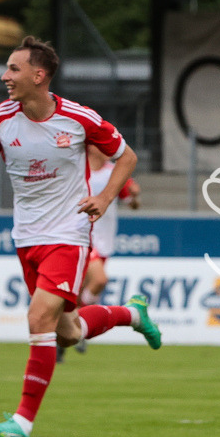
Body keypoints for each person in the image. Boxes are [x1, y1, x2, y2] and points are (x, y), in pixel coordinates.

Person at [0, 36, 162, 437]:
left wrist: (105, 199)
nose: (5, 77)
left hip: (68, 234)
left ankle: (22, 422)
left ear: (39, 75)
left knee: (39, 319)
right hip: (27, 237)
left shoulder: (78, 118)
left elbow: (126, 157)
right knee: (67, 331)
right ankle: (131, 314)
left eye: (13, 69)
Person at [57, 145, 141, 362]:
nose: (106, 148)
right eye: (99, 144)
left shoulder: (113, 172)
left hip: (104, 242)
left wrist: (134, 197)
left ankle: (65, 337)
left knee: (76, 294)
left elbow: (132, 205)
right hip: (81, 237)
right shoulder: (77, 170)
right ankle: (78, 326)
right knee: (100, 280)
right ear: (90, 147)